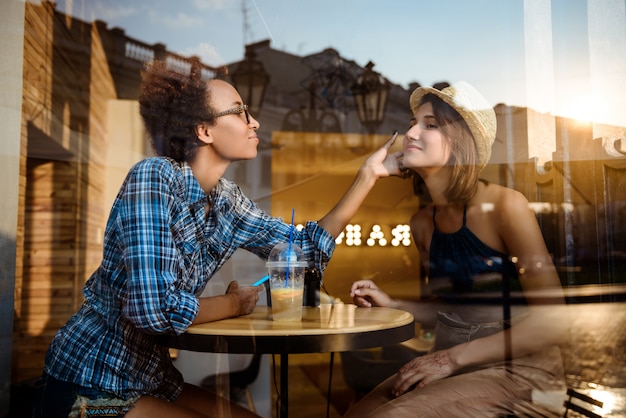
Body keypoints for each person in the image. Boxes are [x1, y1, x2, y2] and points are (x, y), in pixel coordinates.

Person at [35, 60, 403, 418]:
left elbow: (303, 249)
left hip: (152, 378)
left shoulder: (228, 202)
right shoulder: (154, 178)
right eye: (240, 111)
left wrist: (367, 176)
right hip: (88, 391)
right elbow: (153, 310)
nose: (254, 121)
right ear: (204, 131)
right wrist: (233, 304)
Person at [345, 81, 568, 417]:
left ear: (461, 142)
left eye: (430, 125)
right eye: (412, 124)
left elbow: (554, 321)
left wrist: (450, 358)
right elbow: (457, 310)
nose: (412, 133)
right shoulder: (422, 223)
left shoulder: (505, 205)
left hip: (521, 373)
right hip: (451, 365)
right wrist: (392, 303)